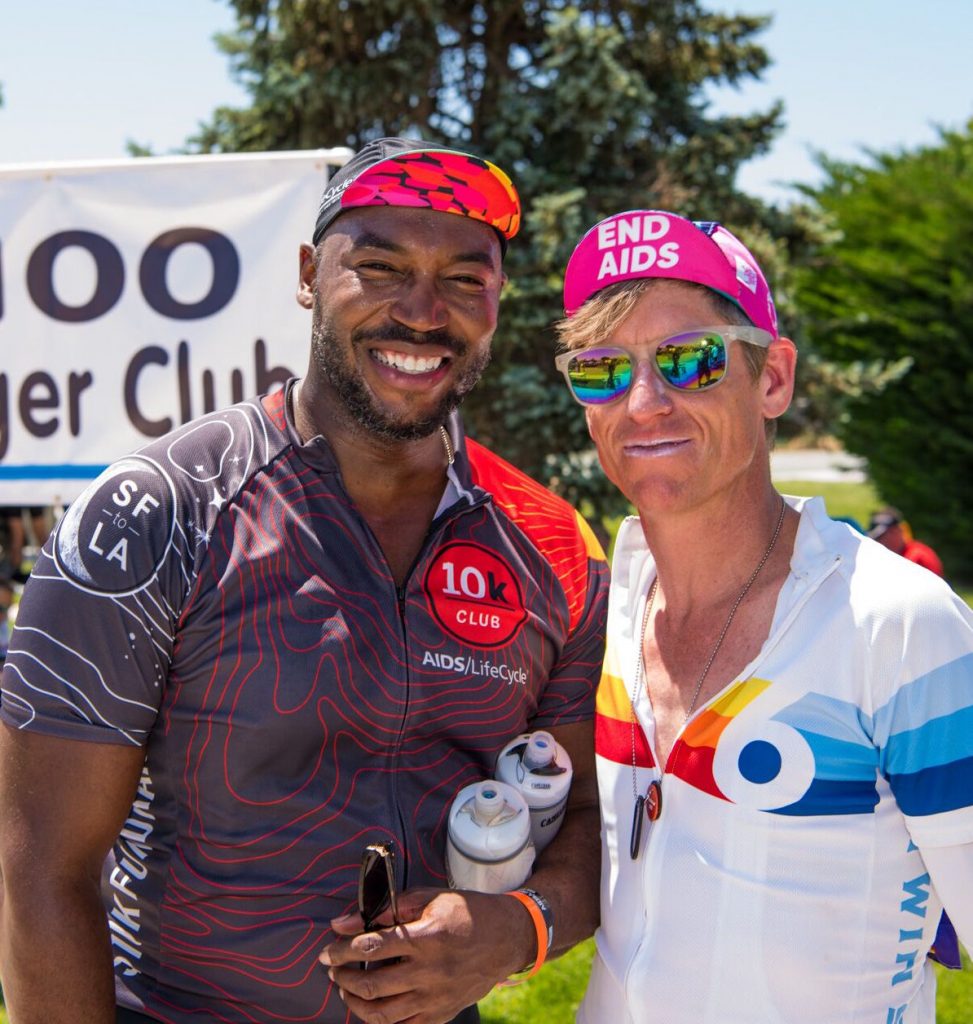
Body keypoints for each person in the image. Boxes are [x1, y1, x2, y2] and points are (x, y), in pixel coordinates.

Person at [0, 139, 609, 1024]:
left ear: (497, 299)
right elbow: (42, 870)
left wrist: (518, 929)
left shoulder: (554, 548)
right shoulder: (156, 512)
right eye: (378, 266)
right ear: (305, 274)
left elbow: (594, 819)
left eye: (464, 280)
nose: (422, 311)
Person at [553, 209, 973, 1023]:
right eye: (602, 369)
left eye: (690, 360)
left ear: (771, 378)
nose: (642, 402)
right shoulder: (603, 612)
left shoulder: (895, 621)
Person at [868, 506, 945, 578]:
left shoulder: (918, 557)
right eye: (876, 538)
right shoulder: (891, 557)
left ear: (897, 531)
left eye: (883, 536)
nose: (879, 542)